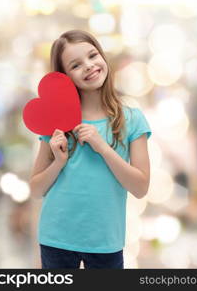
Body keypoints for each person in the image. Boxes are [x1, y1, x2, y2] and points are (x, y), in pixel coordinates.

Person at [29, 29, 152, 269]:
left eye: (93, 55)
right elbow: (35, 189)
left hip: (105, 241)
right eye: (75, 65)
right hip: (57, 239)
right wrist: (58, 162)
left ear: (103, 57)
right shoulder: (56, 120)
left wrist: (103, 147)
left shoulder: (131, 119)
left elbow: (140, 187)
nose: (88, 66)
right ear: (65, 76)